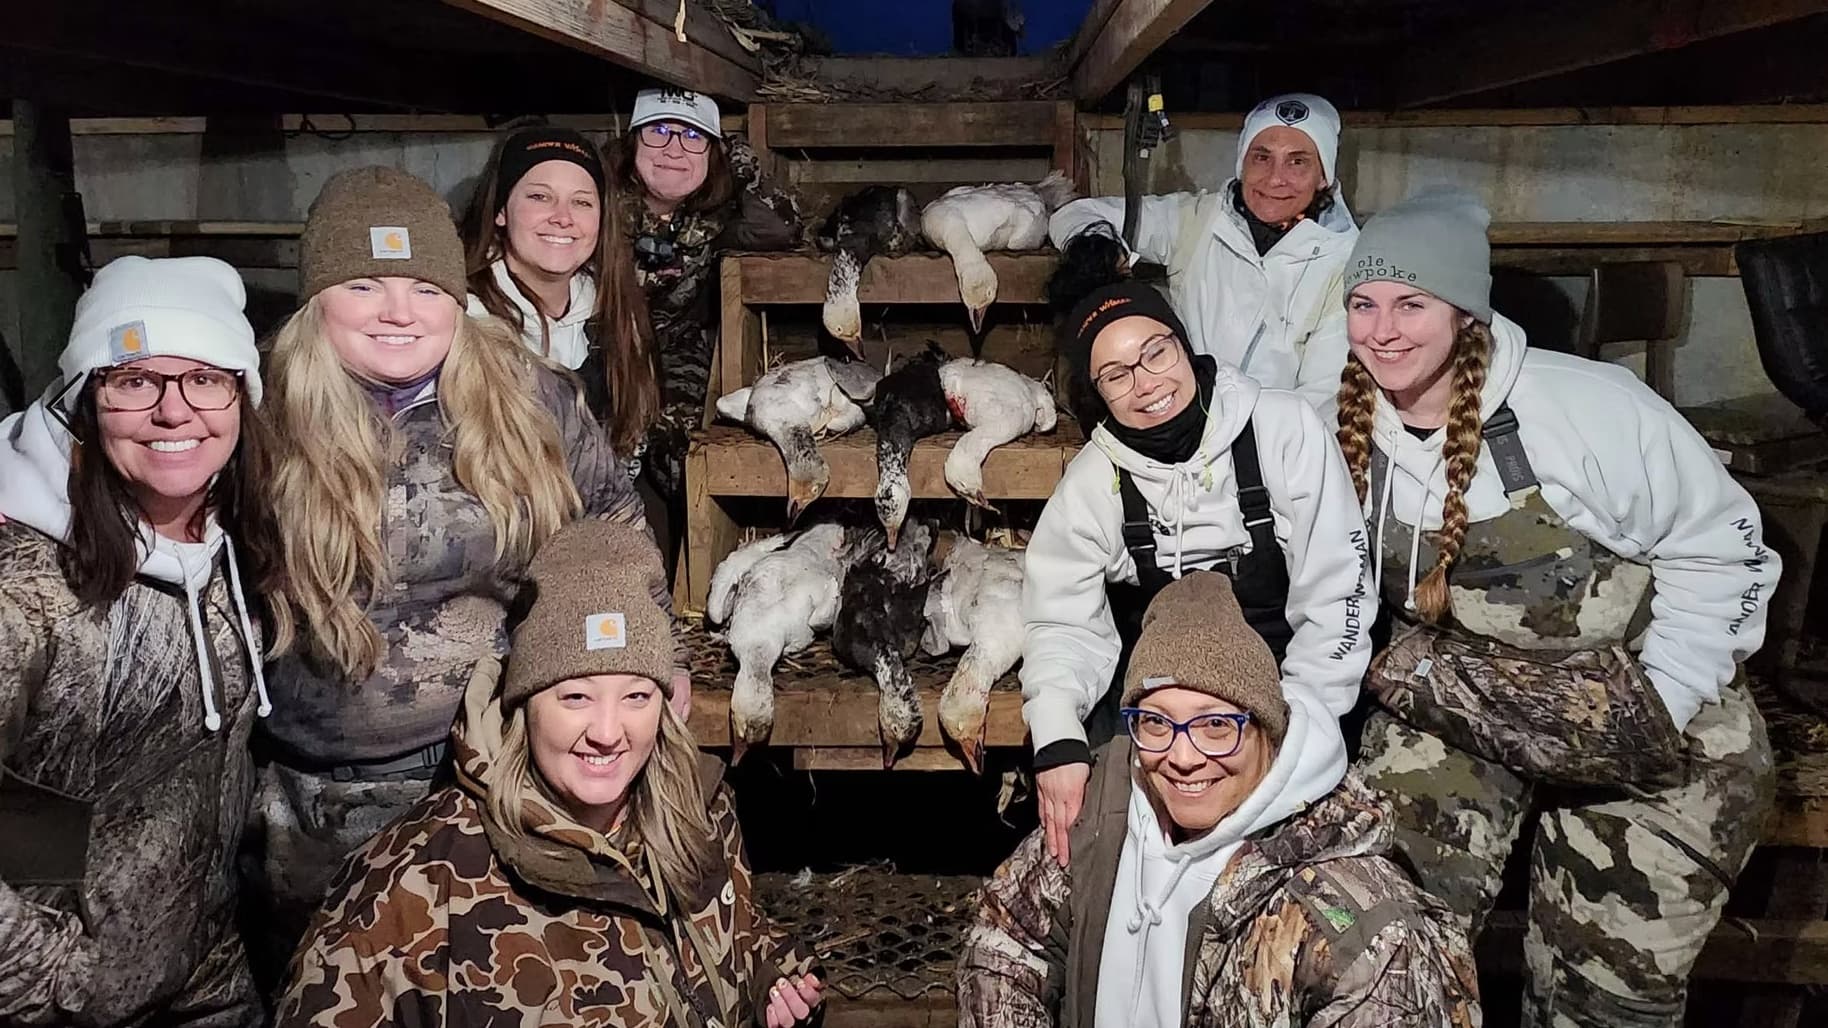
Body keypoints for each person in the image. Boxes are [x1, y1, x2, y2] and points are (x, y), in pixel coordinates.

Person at [1335, 188, 1779, 1028]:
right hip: (1469, 700)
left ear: (1465, 311)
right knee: (1382, 944)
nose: (1383, 329)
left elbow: (1725, 550)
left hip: (1646, 718)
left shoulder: (1588, 407)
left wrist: (1664, 700)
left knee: (1599, 994)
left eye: (1411, 303)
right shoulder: (1348, 424)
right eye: (1364, 303)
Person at [247, 165, 685, 984]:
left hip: (487, 780)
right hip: (309, 804)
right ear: (316, 300)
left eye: (423, 285)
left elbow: (614, 535)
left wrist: (651, 662)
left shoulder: (531, 399)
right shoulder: (254, 415)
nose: (399, 312)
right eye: (366, 284)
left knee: (490, 984)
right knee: (332, 988)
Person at [277, 520, 821, 1028]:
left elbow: (738, 936)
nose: (608, 732)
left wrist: (770, 976)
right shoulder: (414, 889)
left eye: (635, 696)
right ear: (526, 702)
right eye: (576, 696)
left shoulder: (699, 809)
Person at [960, 573, 1479, 1028]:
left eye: (1215, 726)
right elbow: (1007, 936)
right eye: (1157, 723)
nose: (1183, 757)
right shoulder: (1106, 804)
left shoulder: (1366, 934)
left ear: (1265, 731)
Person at [0, 256, 279, 1025]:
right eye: (134, 381)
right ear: (83, 399)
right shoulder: (25, 583)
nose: (174, 411)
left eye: (205, 378)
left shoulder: (231, 542)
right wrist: (55, 979)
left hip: (211, 975)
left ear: (241, 397)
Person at [1022, 275, 1373, 865]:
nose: (1146, 382)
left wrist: (1300, 732)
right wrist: (1057, 739)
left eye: (1155, 352)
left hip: (1291, 688)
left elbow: (1339, 594)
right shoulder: (1093, 482)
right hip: (1163, 705)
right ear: (1098, 393)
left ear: (1184, 344)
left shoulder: (1285, 431)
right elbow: (1061, 625)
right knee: (1101, 842)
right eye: (1116, 374)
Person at [1048, 93, 1357, 407]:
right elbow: (1074, 216)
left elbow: (1323, 396)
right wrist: (1103, 253)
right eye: (1262, 157)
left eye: (1297, 161)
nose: (1276, 178)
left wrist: (1256, 446)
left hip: (1276, 444)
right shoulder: (1198, 219)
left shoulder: (1345, 260)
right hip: (1177, 420)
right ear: (1242, 163)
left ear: (1323, 177)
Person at [617, 87, 803, 565]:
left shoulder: (716, 217)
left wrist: (740, 164)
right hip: (602, 353)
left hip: (675, 355)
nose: (675, 149)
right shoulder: (595, 204)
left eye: (694, 136)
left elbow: (781, 229)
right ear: (632, 142)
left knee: (681, 456)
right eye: (659, 132)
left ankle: (674, 567)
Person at [461, 125, 660, 465]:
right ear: (501, 211)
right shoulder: (462, 318)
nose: (563, 218)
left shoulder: (613, 307)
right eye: (540, 197)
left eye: (581, 202)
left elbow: (629, 439)